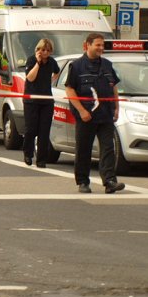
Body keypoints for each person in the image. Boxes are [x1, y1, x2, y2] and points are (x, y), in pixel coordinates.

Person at [65, 33, 125, 194]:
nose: (101, 48)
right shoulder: (77, 66)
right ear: (88, 45)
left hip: (105, 114)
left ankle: (110, 181)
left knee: (108, 148)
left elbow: (113, 87)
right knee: (83, 150)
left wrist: (117, 108)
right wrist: (82, 110)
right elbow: (70, 89)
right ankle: (83, 182)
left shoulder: (107, 65)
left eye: (102, 45)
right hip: (87, 116)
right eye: (97, 45)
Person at [22, 38, 60, 167]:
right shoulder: (31, 60)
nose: (45, 53)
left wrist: (51, 80)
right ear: (38, 50)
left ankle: (41, 159)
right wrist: (38, 63)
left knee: (44, 131)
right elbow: (30, 78)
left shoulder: (52, 62)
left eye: (48, 51)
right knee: (30, 129)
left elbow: (57, 71)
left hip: (46, 100)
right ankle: (28, 154)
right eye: (43, 50)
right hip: (31, 100)